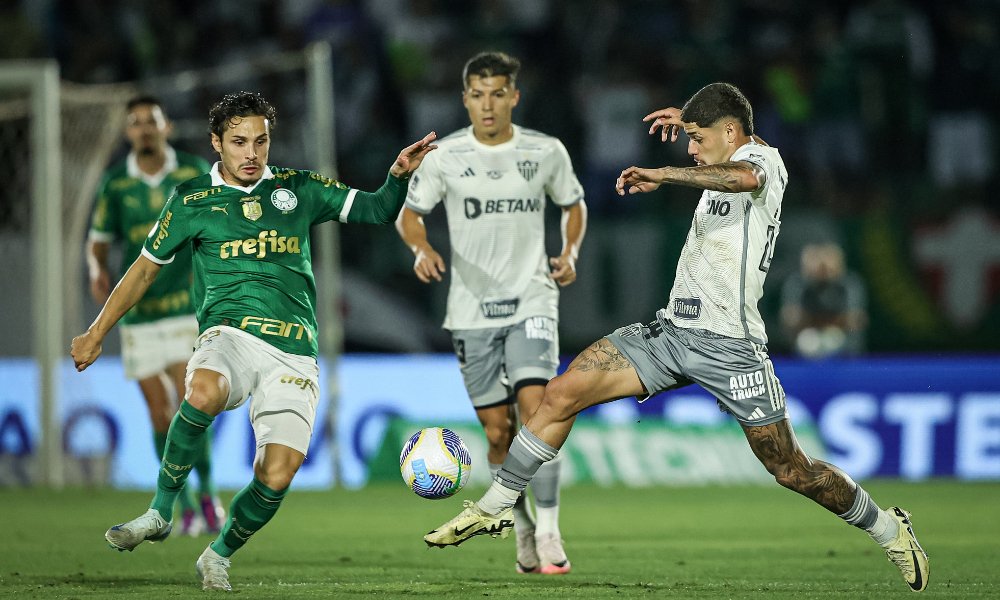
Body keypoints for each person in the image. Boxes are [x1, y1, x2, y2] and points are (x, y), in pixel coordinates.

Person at [424, 83, 930, 592]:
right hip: (669, 334)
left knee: (791, 469)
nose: (689, 148)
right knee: (561, 393)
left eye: (696, 138)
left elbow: (742, 174)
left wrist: (666, 173)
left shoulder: (764, 161)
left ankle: (890, 530)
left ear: (730, 132)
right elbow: (721, 119)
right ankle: (495, 507)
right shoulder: (723, 150)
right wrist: (691, 116)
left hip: (731, 347)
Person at [72, 91, 437, 591]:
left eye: (260, 141)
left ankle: (217, 553)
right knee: (201, 390)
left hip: (294, 351)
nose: (251, 153)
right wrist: (96, 332)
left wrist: (398, 175)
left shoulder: (299, 188)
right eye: (239, 142)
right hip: (230, 335)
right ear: (216, 143)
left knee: (278, 473)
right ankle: (160, 510)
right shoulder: (192, 200)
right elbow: (142, 271)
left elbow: (375, 211)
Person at [397, 51, 587, 575]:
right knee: (498, 433)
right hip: (470, 309)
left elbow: (573, 203)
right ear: (465, 99)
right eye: (477, 95)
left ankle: (549, 530)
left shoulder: (544, 151)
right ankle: (521, 524)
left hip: (532, 297)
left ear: (513, 97)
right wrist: (420, 248)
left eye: (497, 93)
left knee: (540, 409)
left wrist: (568, 253)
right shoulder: (444, 156)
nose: (488, 104)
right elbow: (410, 216)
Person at [87, 95, 223, 536]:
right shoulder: (115, 184)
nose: (144, 128)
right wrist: (97, 270)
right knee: (159, 416)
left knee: (189, 408)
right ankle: (179, 506)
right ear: (127, 132)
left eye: (152, 121)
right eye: (136, 122)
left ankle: (207, 495)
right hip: (139, 316)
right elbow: (99, 240)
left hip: (185, 309)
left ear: (166, 127)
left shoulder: (191, 173)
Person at [780, 242, 867, 358]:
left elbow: (856, 320)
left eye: (829, 260)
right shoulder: (797, 284)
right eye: (816, 260)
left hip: (842, 343)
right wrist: (834, 320)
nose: (823, 267)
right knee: (809, 342)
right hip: (808, 340)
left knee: (832, 339)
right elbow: (791, 319)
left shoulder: (849, 284)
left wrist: (814, 320)